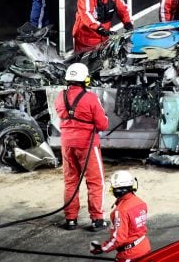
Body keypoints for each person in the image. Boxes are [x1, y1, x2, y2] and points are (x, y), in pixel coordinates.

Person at [54, 63, 109, 232]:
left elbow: (61, 115)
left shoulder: (59, 96)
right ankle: (97, 220)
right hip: (87, 144)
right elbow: (102, 124)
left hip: (67, 144)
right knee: (95, 182)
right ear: (85, 79)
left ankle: (71, 220)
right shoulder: (90, 98)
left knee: (71, 181)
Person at [90, 170, 151, 260]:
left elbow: (118, 239)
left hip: (130, 254)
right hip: (145, 247)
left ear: (118, 190)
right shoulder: (141, 202)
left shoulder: (120, 211)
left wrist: (102, 248)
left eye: (113, 187)